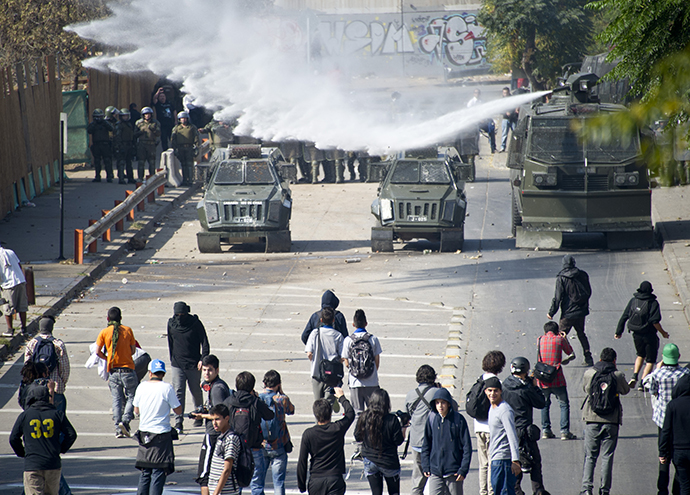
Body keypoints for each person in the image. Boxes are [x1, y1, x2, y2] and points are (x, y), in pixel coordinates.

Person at [580, 347, 631, 495]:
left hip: (592, 418)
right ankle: (604, 489)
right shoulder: (617, 375)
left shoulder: (590, 373)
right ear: (614, 360)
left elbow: (586, 389)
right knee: (607, 456)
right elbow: (625, 390)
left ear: (600, 359)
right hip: (611, 421)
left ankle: (587, 489)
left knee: (590, 456)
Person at [9, 385, 78, 495]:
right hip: (52, 463)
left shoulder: (25, 415)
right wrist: (61, 448)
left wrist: (23, 453)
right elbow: (71, 434)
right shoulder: (57, 414)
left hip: (33, 464)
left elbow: (13, 438)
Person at [643, 343, 689, 495]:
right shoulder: (684, 373)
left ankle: (662, 489)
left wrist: (657, 368)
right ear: (678, 357)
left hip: (663, 419)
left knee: (664, 456)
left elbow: (649, 387)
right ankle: (677, 488)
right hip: (680, 421)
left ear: (663, 358)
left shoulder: (658, 374)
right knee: (678, 457)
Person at [133, 359, 183, 495]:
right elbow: (178, 410)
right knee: (158, 472)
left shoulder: (141, 387)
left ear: (150, 373)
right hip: (161, 437)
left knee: (145, 472)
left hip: (144, 436)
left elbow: (136, 410)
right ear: (163, 374)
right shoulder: (167, 388)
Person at [502, 357, 549, 495]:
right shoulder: (526, 389)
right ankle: (538, 490)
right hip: (525, 432)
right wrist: (535, 386)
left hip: (510, 430)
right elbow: (541, 403)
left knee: (515, 461)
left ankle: (516, 490)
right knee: (535, 462)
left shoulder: (505, 385)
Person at [297, 387, 355, 495]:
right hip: (335, 479)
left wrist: (301, 485)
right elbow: (350, 413)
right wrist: (342, 398)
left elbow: (302, 461)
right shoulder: (337, 428)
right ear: (330, 414)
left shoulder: (308, 434)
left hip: (316, 480)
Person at [190, 355, 234, 495]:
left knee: (204, 474)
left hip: (213, 434)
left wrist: (201, 416)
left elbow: (219, 415)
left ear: (217, 370)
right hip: (215, 434)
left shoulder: (217, 389)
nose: (206, 373)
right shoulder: (215, 385)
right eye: (204, 370)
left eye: (209, 370)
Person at [615, 281, 670, 389]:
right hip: (649, 335)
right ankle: (642, 382)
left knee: (640, 355)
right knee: (650, 360)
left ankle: (634, 376)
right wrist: (663, 333)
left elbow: (624, 317)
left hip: (636, 334)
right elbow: (655, 322)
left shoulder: (633, 301)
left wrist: (618, 331)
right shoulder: (653, 303)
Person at [166, 301, 209, 434]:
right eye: (177, 314)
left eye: (182, 314)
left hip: (193, 364)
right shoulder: (171, 324)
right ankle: (179, 421)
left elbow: (205, 342)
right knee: (178, 391)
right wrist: (172, 359)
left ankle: (199, 414)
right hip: (177, 364)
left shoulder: (195, 323)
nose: (180, 317)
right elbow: (170, 344)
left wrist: (203, 359)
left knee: (196, 390)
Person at [96, 306, 138, 438]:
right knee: (132, 396)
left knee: (117, 399)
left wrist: (108, 358)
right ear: (121, 318)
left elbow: (97, 351)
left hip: (113, 371)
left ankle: (118, 429)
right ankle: (125, 421)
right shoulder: (128, 330)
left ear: (108, 318)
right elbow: (133, 350)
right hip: (128, 370)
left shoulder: (104, 332)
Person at [421, 388, 472, 495]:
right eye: (437, 402)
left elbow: (467, 447)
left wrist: (463, 469)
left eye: (443, 402)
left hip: (453, 473)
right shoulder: (431, 419)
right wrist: (425, 465)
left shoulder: (459, 420)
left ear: (448, 404)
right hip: (435, 472)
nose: (440, 406)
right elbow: (426, 444)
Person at [355, 389, 404, 495]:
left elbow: (357, 436)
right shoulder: (392, 419)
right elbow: (398, 441)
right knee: (394, 492)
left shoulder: (364, 417)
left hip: (370, 460)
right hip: (388, 462)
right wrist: (403, 427)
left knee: (376, 493)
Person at [253, 370, 295, 495]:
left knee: (258, 482)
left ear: (264, 383)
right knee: (278, 482)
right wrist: (281, 393)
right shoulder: (282, 399)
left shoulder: (258, 399)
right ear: (278, 384)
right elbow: (291, 410)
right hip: (279, 446)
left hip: (262, 446)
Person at [223, 371, 275, 470]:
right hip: (254, 447)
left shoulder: (228, 401)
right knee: (256, 484)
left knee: (236, 482)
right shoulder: (255, 402)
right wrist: (256, 397)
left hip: (233, 447)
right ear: (252, 386)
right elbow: (270, 415)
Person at [547, 254, 593, 366]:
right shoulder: (583, 275)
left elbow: (557, 297)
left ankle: (570, 352)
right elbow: (589, 292)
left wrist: (552, 312)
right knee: (581, 333)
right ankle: (588, 357)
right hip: (581, 311)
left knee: (560, 334)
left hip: (568, 313)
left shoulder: (562, 277)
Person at [405, 365, 444, 495]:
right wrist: (441, 390)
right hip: (433, 442)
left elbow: (407, 415)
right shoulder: (437, 393)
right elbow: (453, 407)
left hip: (416, 441)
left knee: (417, 479)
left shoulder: (411, 394)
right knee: (436, 478)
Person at [472, 350, 506, 495]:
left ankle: (483, 491)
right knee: (493, 462)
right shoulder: (498, 384)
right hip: (492, 429)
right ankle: (492, 491)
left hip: (478, 427)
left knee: (483, 463)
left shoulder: (479, 380)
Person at [535, 321, 576, 440]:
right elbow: (570, 353)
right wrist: (565, 338)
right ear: (557, 331)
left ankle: (546, 430)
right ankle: (564, 432)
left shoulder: (539, 339)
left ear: (545, 331)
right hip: (557, 377)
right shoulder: (560, 339)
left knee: (545, 404)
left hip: (543, 379)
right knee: (563, 405)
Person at [341, 309, 382, 418]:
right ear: (366, 323)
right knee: (373, 413)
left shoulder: (348, 340)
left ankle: (359, 434)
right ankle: (372, 434)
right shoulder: (373, 339)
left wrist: (355, 369)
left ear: (353, 324)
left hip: (355, 382)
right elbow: (377, 361)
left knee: (358, 413)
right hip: (371, 382)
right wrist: (370, 372)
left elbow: (346, 361)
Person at [24, 316, 70, 414]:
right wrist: (61, 383)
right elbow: (64, 368)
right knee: (58, 420)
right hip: (55, 386)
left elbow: (27, 366)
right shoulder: (58, 344)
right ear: (51, 328)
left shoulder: (32, 343)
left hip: (36, 388)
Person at [485, 377, 522, 495]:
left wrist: (515, 460)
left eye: (496, 390)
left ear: (501, 391)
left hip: (504, 461)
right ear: (485, 391)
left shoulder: (505, 410)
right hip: (496, 460)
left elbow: (512, 436)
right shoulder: (492, 408)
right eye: (489, 390)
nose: (492, 394)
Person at [305, 307, 345, 411]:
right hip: (332, 376)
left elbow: (309, 353)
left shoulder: (315, 333)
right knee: (327, 408)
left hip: (317, 374)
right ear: (333, 320)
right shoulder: (338, 336)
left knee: (318, 407)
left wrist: (314, 360)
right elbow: (342, 357)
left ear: (321, 320)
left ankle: (318, 424)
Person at [659, 373, 690, 495]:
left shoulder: (673, 405)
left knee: (684, 485)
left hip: (679, 451)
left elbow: (666, 431)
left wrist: (663, 452)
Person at [207, 403, 242, 495]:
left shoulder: (230, 439)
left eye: (217, 419)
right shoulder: (222, 436)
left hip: (226, 491)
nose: (214, 423)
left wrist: (216, 492)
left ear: (227, 418)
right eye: (212, 419)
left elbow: (227, 469)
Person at [1, 244, 29, 336]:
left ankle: (10, 329)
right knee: (22, 306)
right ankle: (24, 328)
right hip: (20, 280)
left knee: (8, 307)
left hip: (8, 284)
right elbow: (19, 266)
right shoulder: (10, 252)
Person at [171, 111, 201, 186]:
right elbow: (173, 139)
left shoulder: (192, 127)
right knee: (183, 165)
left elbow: (196, 138)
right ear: (179, 120)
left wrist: (197, 148)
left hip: (189, 148)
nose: (183, 120)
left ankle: (190, 180)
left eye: (185, 118)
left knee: (189, 164)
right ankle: (185, 180)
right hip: (180, 148)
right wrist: (174, 149)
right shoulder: (176, 128)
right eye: (182, 119)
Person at [87, 108, 114, 182]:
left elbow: (111, 128)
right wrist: (95, 123)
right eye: (97, 117)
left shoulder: (105, 123)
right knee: (97, 161)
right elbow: (89, 131)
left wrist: (104, 122)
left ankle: (109, 176)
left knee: (107, 161)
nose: (99, 118)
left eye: (100, 117)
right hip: (96, 145)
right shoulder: (93, 124)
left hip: (105, 144)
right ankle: (97, 176)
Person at [135, 107, 161, 181]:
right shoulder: (139, 123)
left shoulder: (155, 123)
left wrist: (153, 129)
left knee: (152, 162)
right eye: (146, 114)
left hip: (151, 144)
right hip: (142, 144)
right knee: (141, 162)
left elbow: (159, 134)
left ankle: (151, 178)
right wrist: (140, 132)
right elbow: (134, 134)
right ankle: (140, 178)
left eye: (149, 114)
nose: (147, 116)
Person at [467, 88, 496, 153]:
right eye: (475, 92)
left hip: (483, 121)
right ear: (473, 94)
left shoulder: (482, 101)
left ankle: (493, 148)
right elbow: (470, 114)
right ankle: (476, 150)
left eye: (478, 93)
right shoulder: (470, 103)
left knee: (491, 128)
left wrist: (485, 119)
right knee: (475, 135)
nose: (477, 94)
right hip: (475, 122)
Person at [114, 107, 137, 184]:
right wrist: (119, 147)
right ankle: (121, 178)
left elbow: (132, 135)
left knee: (129, 163)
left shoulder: (129, 124)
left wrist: (134, 145)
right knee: (121, 162)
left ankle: (130, 178)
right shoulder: (119, 125)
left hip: (129, 145)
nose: (126, 117)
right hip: (122, 145)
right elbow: (117, 137)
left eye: (127, 116)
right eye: (124, 116)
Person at [500, 87, 518, 152]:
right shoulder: (501, 100)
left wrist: (514, 111)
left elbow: (516, 107)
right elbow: (500, 110)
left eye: (506, 93)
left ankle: (516, 147)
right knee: (504, 134)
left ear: (509, 92)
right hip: (505, 119)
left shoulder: (513, 99)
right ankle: (502, 147)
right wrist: (505, 112)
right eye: (504, 93)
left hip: (513, 119)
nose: (505, 94)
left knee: (515, 133)